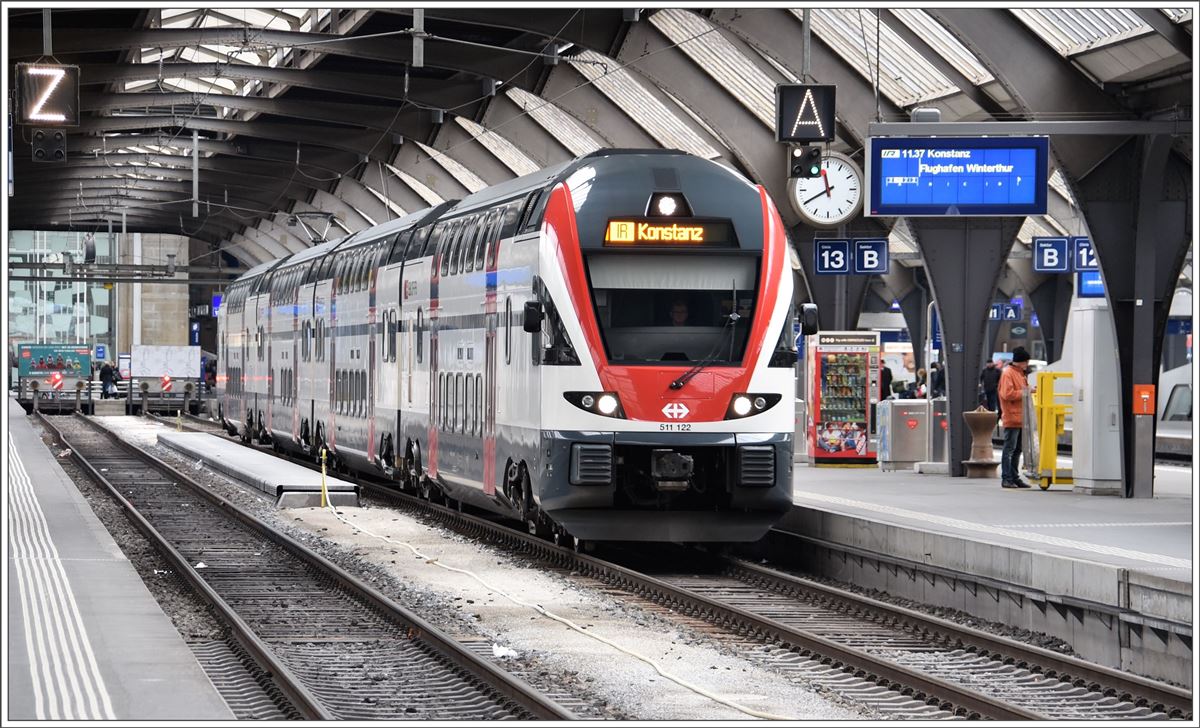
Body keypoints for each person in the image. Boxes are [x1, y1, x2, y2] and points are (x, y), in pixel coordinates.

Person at [998, 346, 1034, 489]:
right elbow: (1007, 394)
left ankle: (1014, 477)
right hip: (1012, 417)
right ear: (1019, 362)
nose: (1027, 364)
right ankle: (1006, 478)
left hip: (1021, 418)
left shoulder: (1020, 374)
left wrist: (1030, 390)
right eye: (1026, 362)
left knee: (1017, 449)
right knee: (1009, 449)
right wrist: (1026, 391)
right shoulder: (1008, 374)